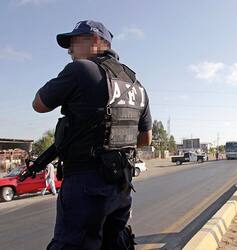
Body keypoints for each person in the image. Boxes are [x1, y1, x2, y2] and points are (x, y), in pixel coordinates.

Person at [32, 20, 152, 249]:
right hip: (121, 184)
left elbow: (39, 104)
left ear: (96, 41)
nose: (69, 50)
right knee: (115, 243)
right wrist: (112, 144)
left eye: (75, 43)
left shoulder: (81, 69)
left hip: (85, 182)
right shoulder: (136, 83)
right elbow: (145, 138)